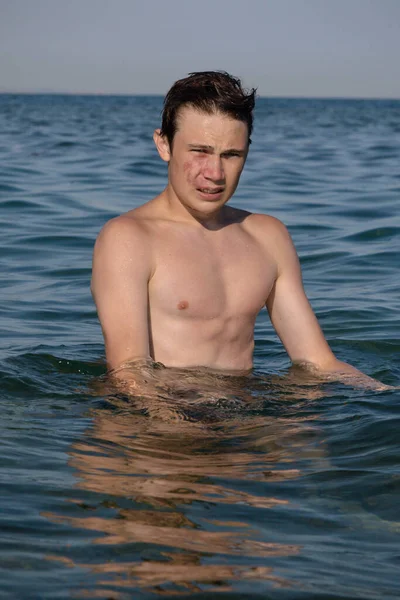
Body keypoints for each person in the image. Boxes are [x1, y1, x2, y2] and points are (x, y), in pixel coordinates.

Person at [91, 71, 389, 392]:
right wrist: (178, 425)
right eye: (199, 151)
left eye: (231, 155)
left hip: (242, 411)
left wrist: (385, 398)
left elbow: (318, 362)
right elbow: (129, 372)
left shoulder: (267, 236)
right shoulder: (128, 238)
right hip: (159, 416)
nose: (215, 173)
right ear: (164, 145)